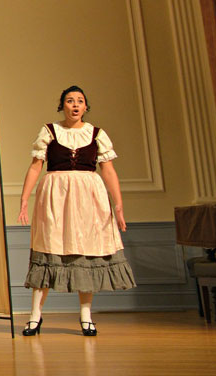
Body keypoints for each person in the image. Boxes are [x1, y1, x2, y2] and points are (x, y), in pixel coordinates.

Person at [16, 86, 136, 337]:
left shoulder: (97, 134)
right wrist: (24, 199)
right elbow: (36, 167)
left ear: (85, 106)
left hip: (88, 197)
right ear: (62, 105)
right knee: (48, 249)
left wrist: (119, 204)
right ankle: (35, 317)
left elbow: (109, 171)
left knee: (86, 252)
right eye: (70, 100)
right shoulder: (49, 131)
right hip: (55, 195)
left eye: (80, 101)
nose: (75, 104)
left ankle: (86, 316)